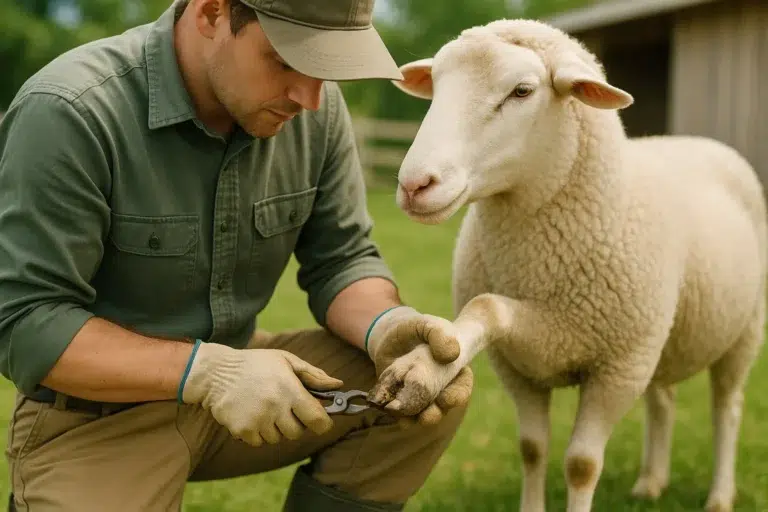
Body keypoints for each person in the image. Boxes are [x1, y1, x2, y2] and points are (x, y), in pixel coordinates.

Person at [0, 0, 475, 510]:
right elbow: (26, 321)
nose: (310, 99)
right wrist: (207, 373)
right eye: (287, 61)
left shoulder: (316, 109)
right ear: (211, 13)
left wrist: (388, 327)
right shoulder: (72, 109)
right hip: (99, 415)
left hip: (250, 378)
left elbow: (341, 259)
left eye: (326, 68)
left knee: (423, 386)